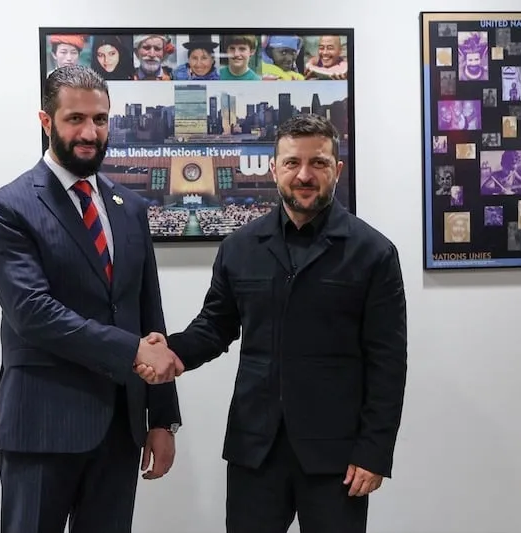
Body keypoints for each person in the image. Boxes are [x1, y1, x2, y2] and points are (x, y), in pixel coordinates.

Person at [140, 114, 407, 532]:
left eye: (318, 163)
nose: (304, 175)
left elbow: (388, 362)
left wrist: (374, 452)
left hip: (336, 457)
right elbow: (215, 326)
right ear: (273, 168)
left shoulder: (373, 253)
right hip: (255, 450)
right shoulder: (240, 247)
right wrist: (172, 352)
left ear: (337, 170)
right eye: (292, 163)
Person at [0, 64, 184, 533]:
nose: (90, 133)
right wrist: (132, 351)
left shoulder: (130, 208)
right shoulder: (8, 207)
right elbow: (32, 313)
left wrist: (162, 418)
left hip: (120, 429)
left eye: (100, 119)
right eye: (75, 119)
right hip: (41, 425)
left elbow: (148, 316)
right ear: (46, 121)